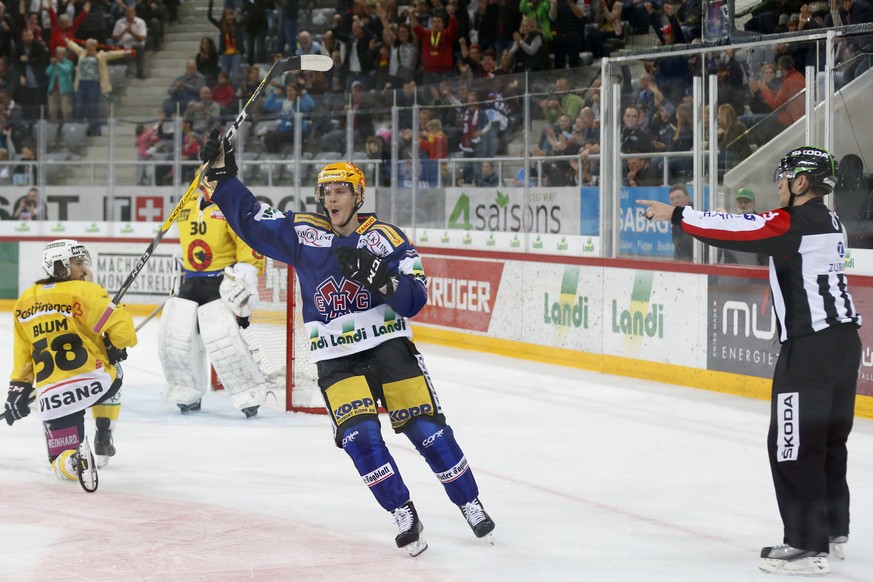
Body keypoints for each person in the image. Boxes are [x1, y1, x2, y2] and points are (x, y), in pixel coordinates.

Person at [199, 136, 496, 556]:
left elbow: (414, 300)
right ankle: (402, 511)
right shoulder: (304, 234)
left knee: (427, 432)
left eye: (340, 190)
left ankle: (470, 502)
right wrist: (226, 178)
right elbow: (252, 219)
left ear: (358, 194)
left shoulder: (387, 238)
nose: (332, 198)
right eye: (326, 191)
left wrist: (380, 276)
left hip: (389, 348)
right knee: (360, 438)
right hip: (335, 359)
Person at [638, 146, 861, 577]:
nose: (777, 185)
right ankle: (834, 530)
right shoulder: (831, 221)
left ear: (800, 183)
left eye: (783, 178)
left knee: (793, 445)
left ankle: (804, 545)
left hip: (810, 349)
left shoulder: (796, 222)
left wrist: (678, 215)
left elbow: (741, 231)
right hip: (844, 345)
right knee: (829, 442)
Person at [5, 239, 137, 490]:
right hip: (96, 383)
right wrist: (113, 345)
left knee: (59, 460)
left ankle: (75, 460)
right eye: (78, 264)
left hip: (53, 396)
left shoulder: (23, 301)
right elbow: (125, 334)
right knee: (114, 367)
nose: (84, 269)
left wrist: (18, 390)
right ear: (60, 267)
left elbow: (23, 356)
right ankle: (104, 428)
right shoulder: (86, 291)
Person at [157, 180, 268, 418]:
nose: (206, 186)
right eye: (203, 181)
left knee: (224, 342)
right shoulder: (185, 206)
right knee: (178, 340)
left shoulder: (232, 209)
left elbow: (248, 245)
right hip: (190, 280)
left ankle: (248, 393)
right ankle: (187, 391)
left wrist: (245, 279)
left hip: (219, 282)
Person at [719, 188, 768, 266]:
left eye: (746, 202)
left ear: (754, 203)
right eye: (740, 202)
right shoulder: (731, 223)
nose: (742, 205)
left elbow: (764, 256)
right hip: (733, 272)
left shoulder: (761, 224)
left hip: (755, 272)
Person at [666, 183, 693, 260]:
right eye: (672, 199)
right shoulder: (676, 218)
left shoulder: (696, 215)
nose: (675, 202)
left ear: (688, 198)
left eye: (678, 198)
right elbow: (678, 249)